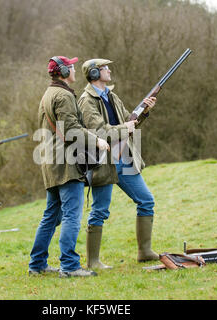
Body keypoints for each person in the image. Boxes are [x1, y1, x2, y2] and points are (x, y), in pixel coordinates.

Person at [28, 55, 110, 278]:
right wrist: (97, 140)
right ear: (63, 72)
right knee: (72, 215)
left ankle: (37, 264)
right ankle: (70, 266)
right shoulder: (63, 95)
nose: (74, 70)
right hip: (65, 164)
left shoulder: (48, 94)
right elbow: (72, 128)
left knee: (50, 216)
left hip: (51, 163)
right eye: (71, 67)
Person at [77, 58, 159, 269]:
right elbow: (101, 131)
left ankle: (145, 251)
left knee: (146, 200)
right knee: (100, 210)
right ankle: (93, 261)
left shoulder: (111, 96)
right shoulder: (86, 101)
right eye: (105, 68)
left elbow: (129, 121)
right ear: (95, 74)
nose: (109, 70)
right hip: (103, 162)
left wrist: (145, 111)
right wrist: (127, 126)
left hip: (124, 158)